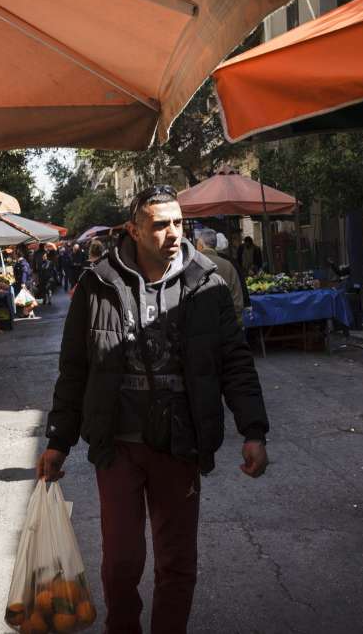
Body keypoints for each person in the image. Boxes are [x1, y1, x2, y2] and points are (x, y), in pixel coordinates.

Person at [38, 185, 269, 634]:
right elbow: (74, 369)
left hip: (179, 441)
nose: (172, 234)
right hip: (118, 445)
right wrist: (57, 441)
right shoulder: (96, 284)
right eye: (160, 225)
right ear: (134, 229)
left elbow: (236, 363)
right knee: (121, 562)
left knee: (177, 561)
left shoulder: (208, 283)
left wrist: (254, 430)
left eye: (178, 223)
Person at [196, 230, 245, 322]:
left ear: (200, 245)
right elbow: (238, 299)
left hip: (202, 325)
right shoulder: (228, 265)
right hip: (228, 322)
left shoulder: (193, 265)